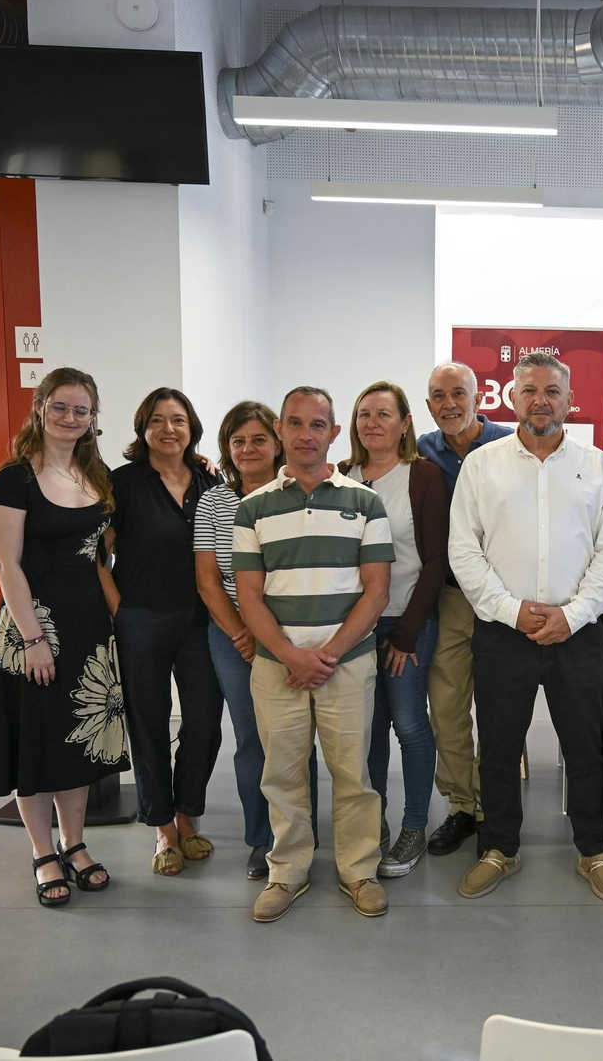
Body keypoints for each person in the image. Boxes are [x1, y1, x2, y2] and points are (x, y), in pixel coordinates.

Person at [449, 351, 603, 903]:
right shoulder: (482, 466)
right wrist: (511, 610)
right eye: (529, 390)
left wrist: (571, 615)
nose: (540, 401)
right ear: (513, 398)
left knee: (586, 747)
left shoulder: (597, 466)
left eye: (552, 391)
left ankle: (593, 849)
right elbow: (464, 551)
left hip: (577, 633)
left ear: (570, 400)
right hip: (504, 633)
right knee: (499, 748)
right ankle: (499, 848)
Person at [234, 387, 394, 921]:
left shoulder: (365, 502)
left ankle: (359, 870)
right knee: (281, 775)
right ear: (280, 430)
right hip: (276, 666)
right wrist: (289, 655)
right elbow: (249, 596)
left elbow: (377, 591)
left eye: (318, 424)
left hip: (345, 664)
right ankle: (287, 871)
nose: (307, 434)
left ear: (333, 433)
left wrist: (326, 656)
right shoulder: (252, 509)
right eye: (296, 423)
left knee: (353, 775)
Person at [0, 367, 127, 907]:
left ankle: (75, 843)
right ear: (40, 408)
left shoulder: (98, 474)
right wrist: (32, 638)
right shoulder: (14, 478)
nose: (70, 417)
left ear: (93, 418)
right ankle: (43, 852)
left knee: (78, 743)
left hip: (88, 627)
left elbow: (105, 551)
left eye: (81, 410)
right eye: (60, 406)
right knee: (37, 742)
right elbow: (6, 564)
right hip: (33, 628)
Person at [102, 388, 226, 877]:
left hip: (200, 621)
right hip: (142, 620)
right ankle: (163, 828)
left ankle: (188, 813)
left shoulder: (209, 480)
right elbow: (98, 554)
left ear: (191, 427)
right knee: (149, 722)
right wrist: (121, 610)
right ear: (143, 428)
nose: (168, 429)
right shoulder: (123, 483)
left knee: (205, 722)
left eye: (177, 420)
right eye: (157, 420)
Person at [195, 400, 320, 881]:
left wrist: (276, 637)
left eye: (258, 439)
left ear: (277, 441)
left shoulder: (300, 494)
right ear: (227, 448)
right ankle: (262, 840)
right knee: (252, 739)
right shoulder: (214, 502)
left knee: (295, 738)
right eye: (238, 441)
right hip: (234, 638)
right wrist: (244, 635)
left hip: (294, 633)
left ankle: (301, 835)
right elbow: (208, 581)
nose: (248, 449)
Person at [340, 381, 448, 878]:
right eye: (364, 414)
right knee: (370, 729)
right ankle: (374, 823)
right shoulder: (341, 475)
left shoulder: (422, 476)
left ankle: (414, 827)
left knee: (408, 724)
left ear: (405, 423)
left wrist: (407, 633)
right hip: (355, 627)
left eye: (384, 414)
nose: (372, 423)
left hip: (407, 621)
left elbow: (435, 560)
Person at [416, 362, 514, 856]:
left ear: (480, 398)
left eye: (458, 393)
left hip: (505, 598)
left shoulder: (510, 445)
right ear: (428, 404)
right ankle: (462, 806)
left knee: (501, 711)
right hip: (453, 598)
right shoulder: (421, 451)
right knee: (448, 709)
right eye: (439, 395)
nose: (449, 403)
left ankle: (497, 807)